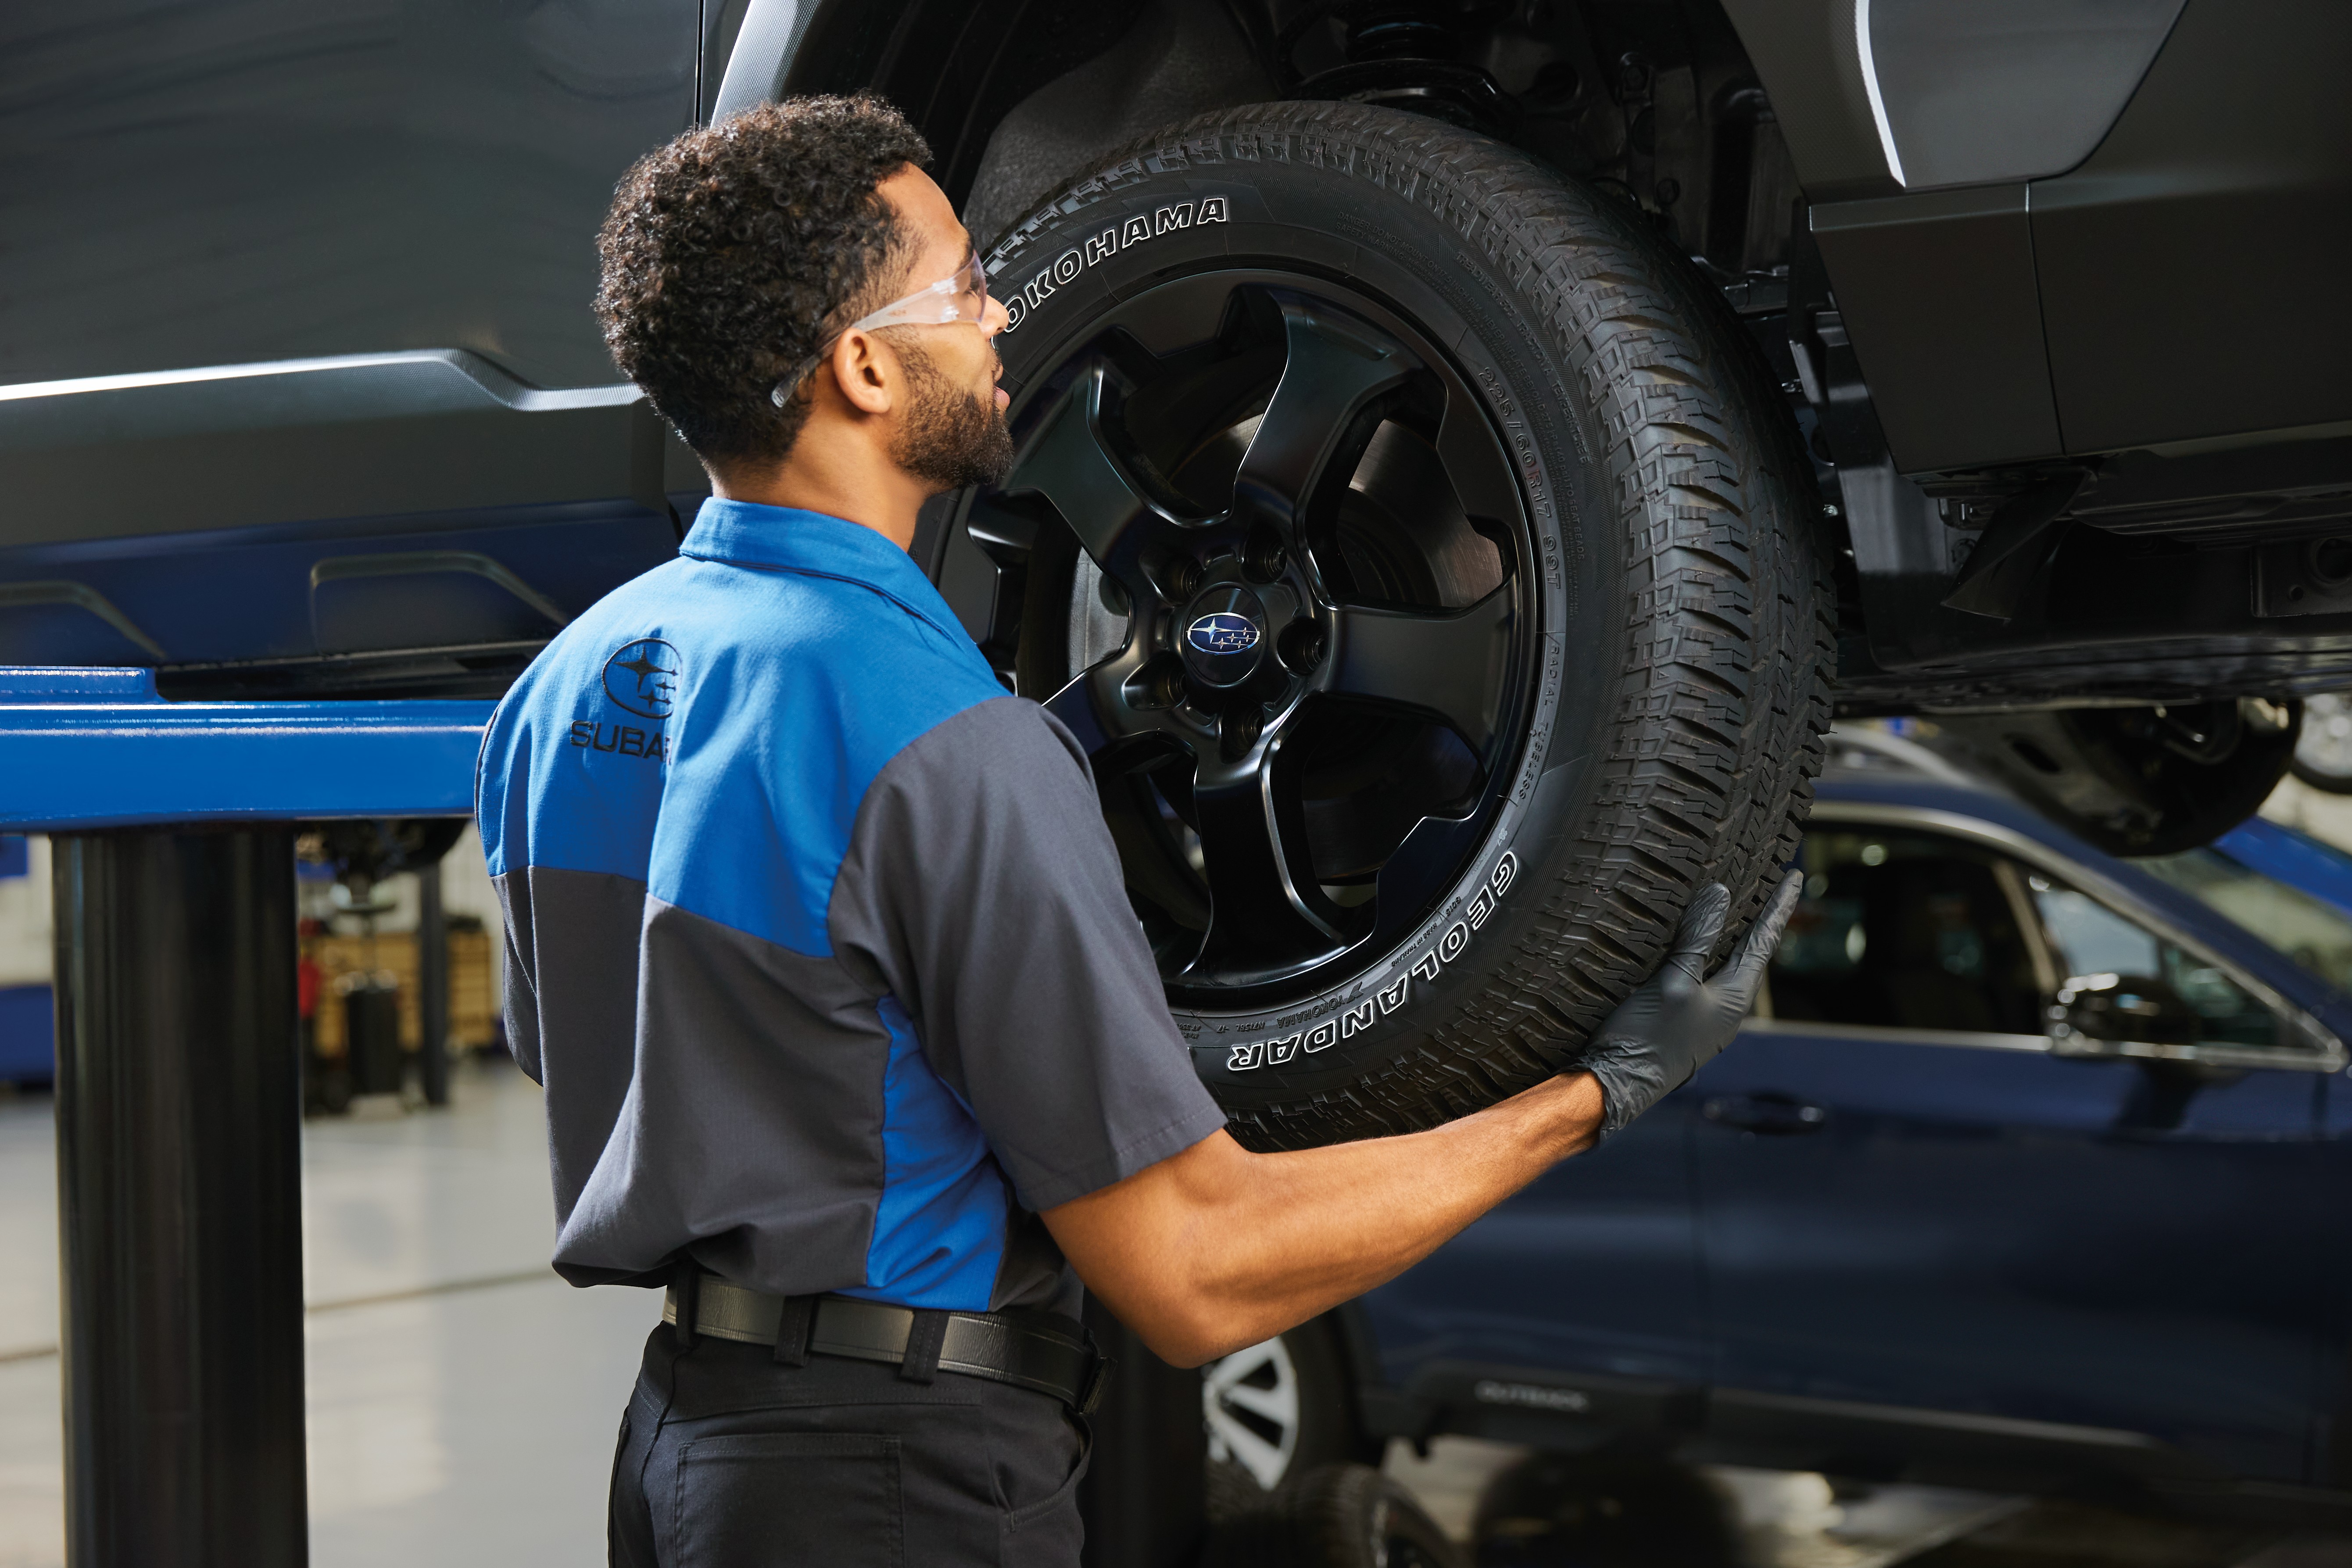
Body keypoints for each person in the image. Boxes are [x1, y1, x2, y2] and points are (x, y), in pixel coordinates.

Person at [473, 93, 1799, 1565]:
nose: (995, 320)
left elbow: (598, 1044)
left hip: (678, 1448)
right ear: (860, 365)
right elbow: (1195, 1274)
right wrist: (1590, 1098)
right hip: (883, 1475)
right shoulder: (939, 733)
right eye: (963, 287)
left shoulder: (566, 688)